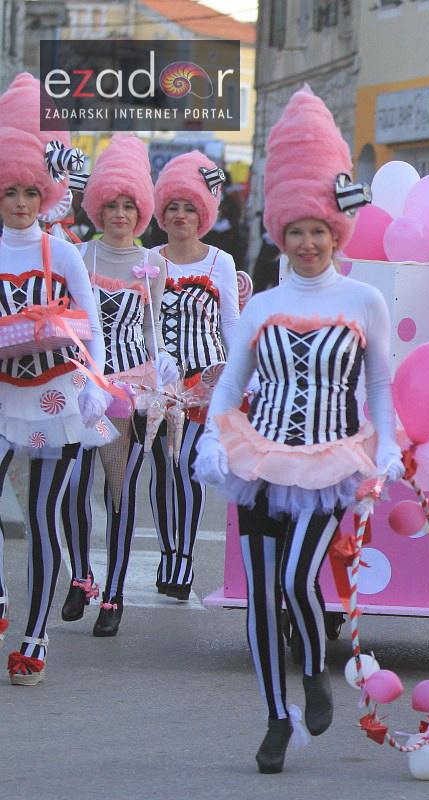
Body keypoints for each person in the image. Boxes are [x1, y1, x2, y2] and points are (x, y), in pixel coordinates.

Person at [194, 87, 396, 773]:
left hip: (329, 458)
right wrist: (217, 435)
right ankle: (275, 718)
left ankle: (312, 667)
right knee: (259, 591)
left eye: (319, 230)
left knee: (299, 580)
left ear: (336, 231)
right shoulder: (265, 303)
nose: (308, 243)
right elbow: (231, 382)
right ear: (280, 233)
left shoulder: (363, 298)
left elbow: (379, 384)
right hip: (260, 455)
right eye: (296, 232)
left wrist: (388, 446)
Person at [0, 73, 112, 685]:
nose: (19, 202)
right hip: (1, 391)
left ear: (44, 192)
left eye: (28, 191)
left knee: (43, 514)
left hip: (59, 396)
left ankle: (36, 636)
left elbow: (92, 326)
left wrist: (93, 382)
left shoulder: (62, 251)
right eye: (9, 190)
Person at [59, 134, 177, 637]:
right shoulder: (77, 257)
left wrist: (164, 359)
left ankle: (114, 595)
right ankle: (82, 575)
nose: (121, 214)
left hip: (130, 392)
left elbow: (152, 329)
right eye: (112, 204)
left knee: (120, 492)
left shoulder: (155, 264)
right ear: (97, 206)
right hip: (79, 385)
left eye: (130, 205)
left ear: (142, 210)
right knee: (71, 489)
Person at [149, 150, 241, 599]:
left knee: (185, 464)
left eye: (189, 207)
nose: (180, 215)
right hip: (157, 383)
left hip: (203, 382)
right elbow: (136, 321)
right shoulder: (146, 259)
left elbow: (232, 325)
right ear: (160, 211)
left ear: (202, 213)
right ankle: (167, 551)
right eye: (173, 207)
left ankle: (183, 560)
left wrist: (238, 377)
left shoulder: (219, 262)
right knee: (160, 467)